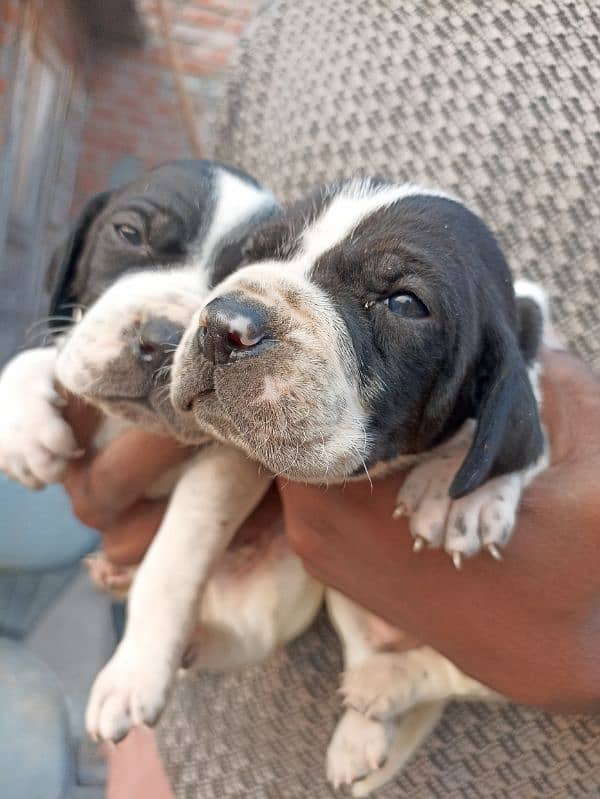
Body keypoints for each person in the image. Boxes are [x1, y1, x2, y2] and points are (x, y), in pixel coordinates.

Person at [61, 2, 600, 796]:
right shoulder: (287, 24)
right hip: (184, 744)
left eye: (403, 302)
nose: (235, 310)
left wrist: (495, 472)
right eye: (266, 255)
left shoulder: (502, 346)